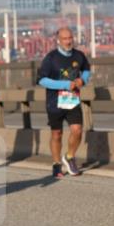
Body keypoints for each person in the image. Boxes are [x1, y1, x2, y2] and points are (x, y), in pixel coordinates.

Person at [37, 28, 91, 178]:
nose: (68, 41)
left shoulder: (79, 55)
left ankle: (69, 156)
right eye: (65, 38)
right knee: (57, 134)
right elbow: (42, 80)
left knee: (77, 130)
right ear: (58, 40)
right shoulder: (51, 58)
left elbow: (86, 69)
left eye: (70, 38)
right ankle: (56, 164)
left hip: (73, 100)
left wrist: (83, 79)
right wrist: (65, 85)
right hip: (55, 102)